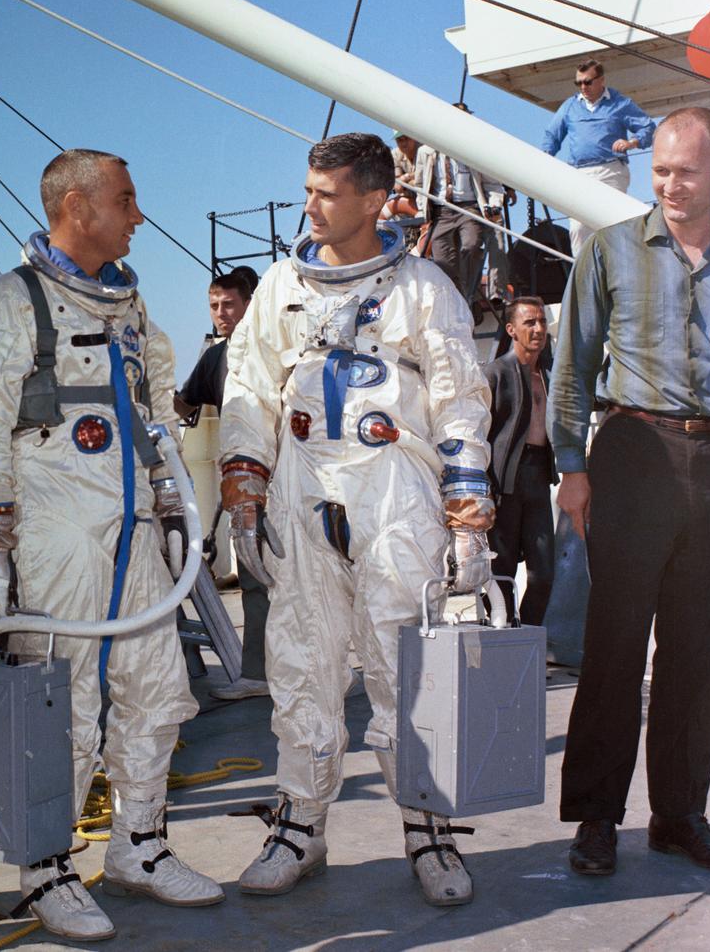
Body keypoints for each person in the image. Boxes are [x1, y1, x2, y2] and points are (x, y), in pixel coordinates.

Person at [0, 149, 224, 941]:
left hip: (131, 526)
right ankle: (46, 866)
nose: (138, 216)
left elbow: (154, 414)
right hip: (55, 526)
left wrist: (172, 501)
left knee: (156, 688)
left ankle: (140, 846)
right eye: (126, 201)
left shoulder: (127, 307)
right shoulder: (14, 302)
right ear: (78, 207)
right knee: (63, 703)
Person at [220, 132, 495, 908]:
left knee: (404, 666)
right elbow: (248, 390)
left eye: (326, 193)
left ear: (374, 200)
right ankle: (299, 826)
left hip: (394, 488)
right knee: (301, 662)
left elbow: (460, 399)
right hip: (305, 483)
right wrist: (244, 495)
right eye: (308, 190)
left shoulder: (423, 288)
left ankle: (427, 828)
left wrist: (467, 520)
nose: (309, 205)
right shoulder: (281, 287)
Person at [551, 106, 710, 877]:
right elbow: (574, 365)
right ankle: (596, 818)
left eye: (686, 171)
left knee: (699, 647)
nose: (670, 185)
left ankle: (678, 815)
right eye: (660, 171)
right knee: (616, 642)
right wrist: (572, 468)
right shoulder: (610, 250)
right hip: (631, 454)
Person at [174, 269, 270, 701]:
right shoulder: (217, 357)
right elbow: (183, 403)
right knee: (254, 579)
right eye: (214, 306)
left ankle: (327, 670)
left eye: (229, 304)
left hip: (287, 479)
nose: (220, 314)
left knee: (308, 579)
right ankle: (258, 673)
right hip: (243, 485)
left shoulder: (275, 349)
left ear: (250, 303)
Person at [483, 296, 557, 627]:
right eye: (530, 323)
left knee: (544, 573)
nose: (538, 329)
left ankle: (528, 634)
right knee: (502, 570)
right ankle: (503, 638)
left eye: (542, 322)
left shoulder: (550, 376)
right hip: (504, 480)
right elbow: (479, 432)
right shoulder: (495, 373)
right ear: (512, 329)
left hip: (539, 475)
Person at [541, 60, 657, 256]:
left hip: (610, 170)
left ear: (601, 80)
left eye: (587, 82)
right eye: (578, 83)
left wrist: (632, 142)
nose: (583, 87)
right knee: (578, 228)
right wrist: (544, 157)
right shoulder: (570, 106)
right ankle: (582, 270)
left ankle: (616, 267)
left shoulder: (620, 103)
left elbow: (648, 127)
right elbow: (552, 135)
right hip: (579, 173)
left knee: (611, 223)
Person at [413, 109, 512, 306]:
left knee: (471, 245)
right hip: (441, 211)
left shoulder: (475, 151)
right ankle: (456, 300)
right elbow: (419, 183)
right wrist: (423, 208)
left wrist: (494, 204)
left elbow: (492, 184)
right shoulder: (426, 152)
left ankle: (469, 292)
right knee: (443, 261)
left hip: (469, 208)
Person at [381, 133, 421, 220]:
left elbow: (426, 182)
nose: (403, 143)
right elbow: (398, 186)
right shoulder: (395, 154)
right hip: (409, 199)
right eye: (399, 140)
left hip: (430, 199)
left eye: (406, 138)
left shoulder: (424, 151)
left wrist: (405, 179)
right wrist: (410, 177)